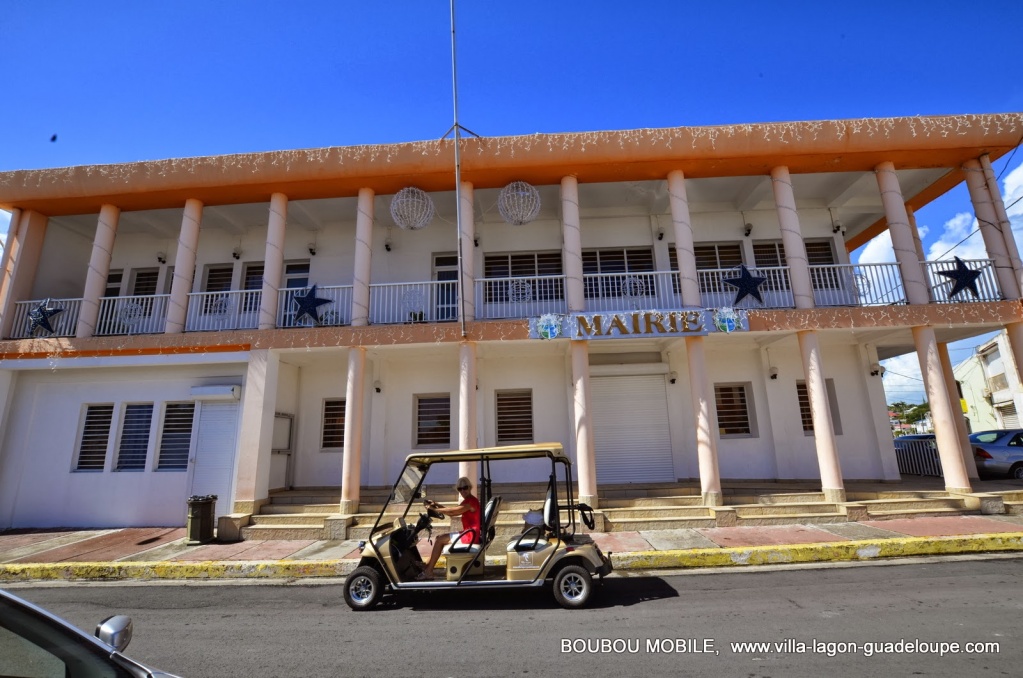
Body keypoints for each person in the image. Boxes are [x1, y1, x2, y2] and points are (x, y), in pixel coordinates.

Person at [419, 477, 480, 579]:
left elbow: (453, 512)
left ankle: (428, 571)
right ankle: (427, 566)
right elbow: (453, 513)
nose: (463, 491)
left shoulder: (471, 502)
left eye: (465, 488)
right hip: (469, 533)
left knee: (439, 540)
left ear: (470, 488)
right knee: (440, 537)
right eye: (460, 489)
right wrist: (437, 505)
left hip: (470, 536)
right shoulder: (468, 501)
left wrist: (434, 509)